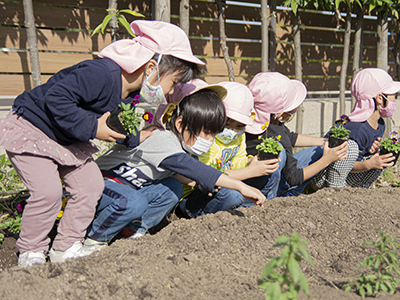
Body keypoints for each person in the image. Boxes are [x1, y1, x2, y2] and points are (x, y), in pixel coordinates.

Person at [0, 19, 206, 267]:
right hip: (34, 128)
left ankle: (65, 247)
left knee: (90, 186)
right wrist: (93, 127)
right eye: (173, 82)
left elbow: (117, 123)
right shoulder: (101, 74)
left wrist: (134, 137)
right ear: (152, 66)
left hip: (67, 137)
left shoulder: (130, 94)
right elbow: (56, 98)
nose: (171, 91)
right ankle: (31, 251)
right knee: (48, 192)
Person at [84, 83, 266, 247]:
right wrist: (240, 186)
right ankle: (95, 240)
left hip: (127, 188)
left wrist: (203, 184)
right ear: (180, 124)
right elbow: (197, 170)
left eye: (214, 135)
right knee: (134, 201)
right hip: (99, 183)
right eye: (207, 133)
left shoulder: (180, 146)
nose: (210, 140)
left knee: (171, 188)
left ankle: (131, 232)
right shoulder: (164, 141)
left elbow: (186, 176)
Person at [179, 81, 281, 218]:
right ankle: (196, 214)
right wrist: (250, 171)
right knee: (230, 194)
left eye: (239, 125)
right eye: (226, 123)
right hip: (197, 194)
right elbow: (207, 175)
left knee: (271, 174)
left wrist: (251, 162)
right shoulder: (206, 138)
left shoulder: (239, 136)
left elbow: (238, 162)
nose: (232, 130)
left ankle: (241, 208)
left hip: (226, 186)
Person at [245, 72, 348, 197]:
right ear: (280, 114)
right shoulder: (275, 134)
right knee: (286, 155)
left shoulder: (257, 121)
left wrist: (323, 141)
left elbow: (291, 137)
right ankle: (281, 196)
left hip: (251, 180)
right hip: (265, 186)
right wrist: (327, 159)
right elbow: (293, 177)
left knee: (319, 149)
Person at [310, 68, 400, 190]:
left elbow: (359, 155)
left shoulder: (380, 123)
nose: (395, 99)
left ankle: (360, 190)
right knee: (351, 147)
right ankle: (335, 190)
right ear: (380, 98)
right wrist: (369, 163)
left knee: (384, 158)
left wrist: (370, 151)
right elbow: (342, 161)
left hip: (346, 173)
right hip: (322, 176)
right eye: (392, 95)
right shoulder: (356, 128)